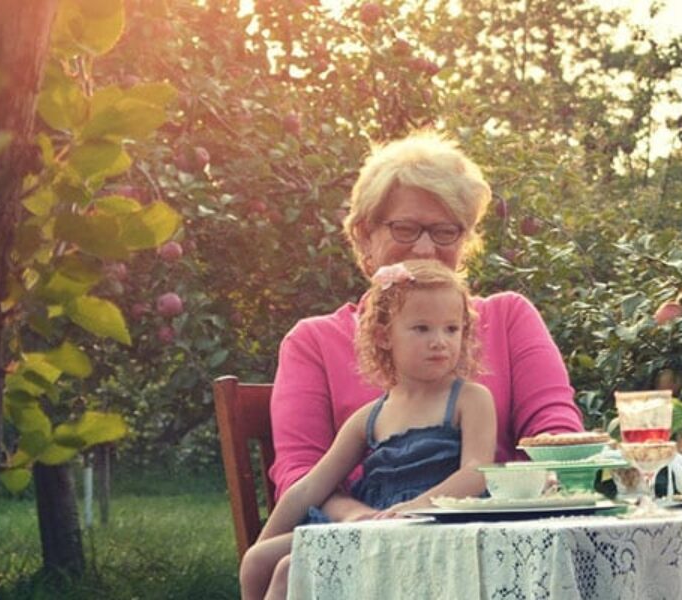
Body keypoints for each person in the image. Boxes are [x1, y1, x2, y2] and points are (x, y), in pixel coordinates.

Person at [269, 132, 582, 523]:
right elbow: (300, 472)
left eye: (445, 231)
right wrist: (364, 521)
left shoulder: (509, 317)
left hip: (497, 528)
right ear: (364, 236)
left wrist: (533, 487)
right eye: (405, 228)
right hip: (363, 542)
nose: (424, 248)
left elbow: (556, 434)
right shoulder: (313, 341)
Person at [241, 260, 496, 600]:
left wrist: (415, 508)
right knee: (258, 561)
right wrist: (264, 542)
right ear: (383, 336)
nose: (439, 341)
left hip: (436, 523)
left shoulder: (469, 398)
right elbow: (309, 488)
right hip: (374, 525)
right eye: (422, 329)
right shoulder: (371, 417)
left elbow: (477, 470)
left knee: (290, 570)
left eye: (451, 329)